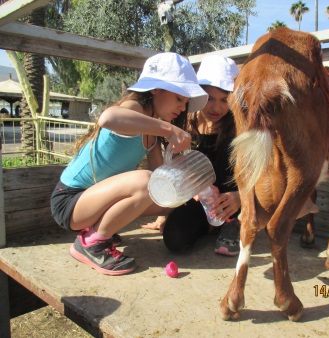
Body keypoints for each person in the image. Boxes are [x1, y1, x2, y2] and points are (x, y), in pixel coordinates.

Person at [50, 52, 208, 276]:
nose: (182, 108)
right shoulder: (134, 109)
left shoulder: (152, 133)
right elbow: (108, 118)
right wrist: (169, 129)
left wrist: (186, 188)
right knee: (144, 182)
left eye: (185, 102)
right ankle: (92, 243)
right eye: (179, 98)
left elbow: (160, 178)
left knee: (171, 197)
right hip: (70, 201)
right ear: (156, 89)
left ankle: (100, 228)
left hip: (92, 202)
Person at [143, 55, 242, 256]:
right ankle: (211, 225)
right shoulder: (182, 122)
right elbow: (172, 167)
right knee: (174, 240)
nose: (216, 107)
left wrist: (241, 198)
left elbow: (260, 174)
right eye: (209, 98)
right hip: (198, 197)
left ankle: (235, 222)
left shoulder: (240, 125)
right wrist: (167, 212)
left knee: (229, 147)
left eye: (225, 100)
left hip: (233, 201)